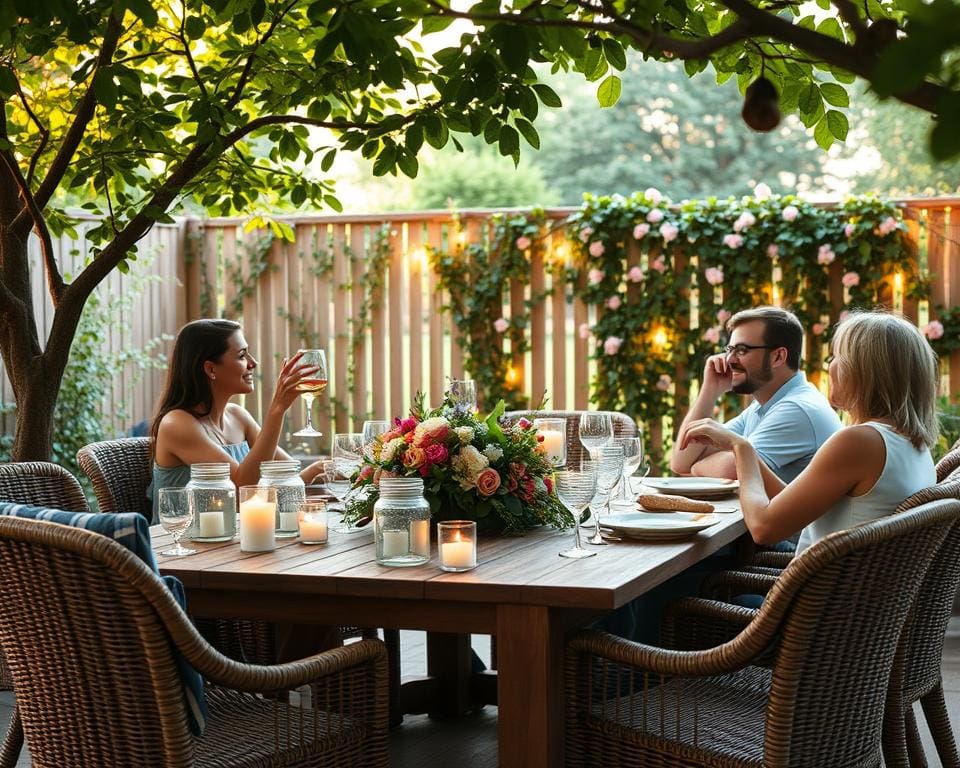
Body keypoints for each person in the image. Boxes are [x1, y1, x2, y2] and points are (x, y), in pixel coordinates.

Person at [680, 311, 938, 554]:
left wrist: (741, 448)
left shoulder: (860, 442)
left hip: (814, 600)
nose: (830, 366)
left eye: (836, 356)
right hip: (852, 596)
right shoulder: (910, 443)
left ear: (864, 370)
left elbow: (763, 528)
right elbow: (791, 502)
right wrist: (741, 449)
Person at [148, 318, 326, 512]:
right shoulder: (177, 423)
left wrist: (322, 468)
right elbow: (241, 491)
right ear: (210, 369)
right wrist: (278, 409)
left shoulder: (238, 416)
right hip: (181, 538)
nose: (253, 362)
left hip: (237, 535)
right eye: (242, 355)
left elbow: (289, 475)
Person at [670, 306, 841, 483]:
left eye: (742, 350)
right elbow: (681, 462)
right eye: (729, 349)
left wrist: (696, 467)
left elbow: (731, 470)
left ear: (778, 357)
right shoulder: (764, 406)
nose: (729, 359)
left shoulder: (796, 409)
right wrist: (710, 389)